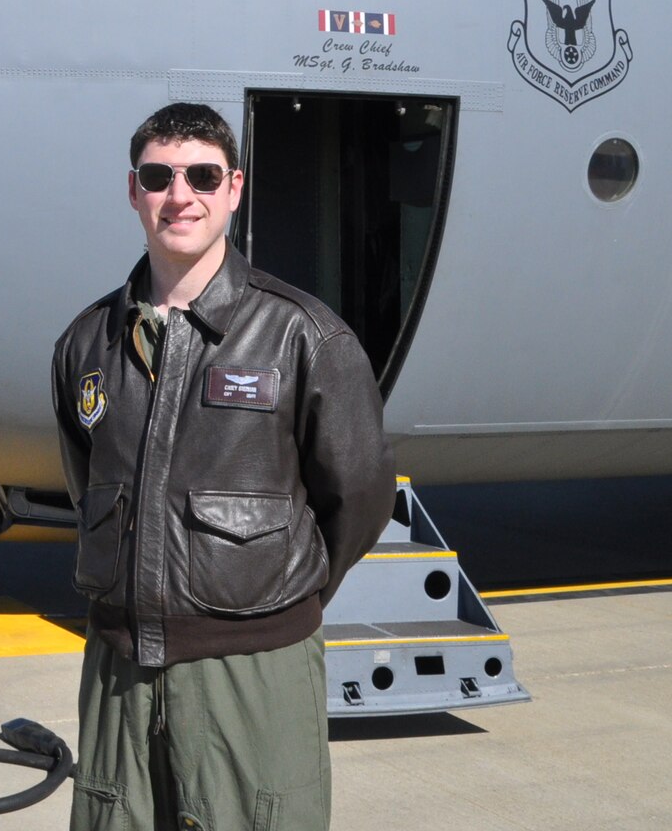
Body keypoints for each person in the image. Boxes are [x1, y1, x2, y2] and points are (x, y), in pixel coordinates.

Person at [52, 102, 394, 831]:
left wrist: (269, 590)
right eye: (159, 176)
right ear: (133, 190)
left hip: (252, 669)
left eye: (202, 176)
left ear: (234, 187)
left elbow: (358, 497)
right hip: (120, 668)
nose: (181, 196)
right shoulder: (86, 344)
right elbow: (91, 486)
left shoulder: (305, 337)